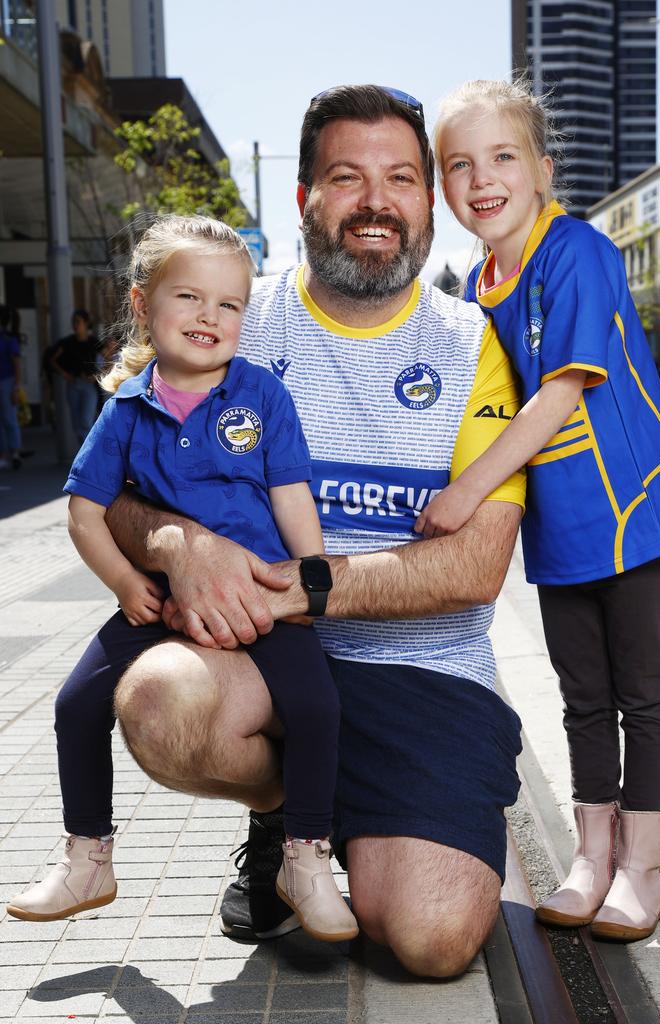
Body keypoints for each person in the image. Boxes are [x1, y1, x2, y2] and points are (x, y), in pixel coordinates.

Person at [75, 86, 527, 978]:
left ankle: (367, 815)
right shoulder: (231, 318)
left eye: (401, 178)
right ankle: (286, 816)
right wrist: (177, 544)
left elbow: (477, 566)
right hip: (268, 660)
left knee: (433, 941)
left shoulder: (478, 343)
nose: (376, 201)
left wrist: (312, 583)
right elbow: (112, 482)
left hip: (426, 669)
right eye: (346, 176)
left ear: (428, 204)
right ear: (304, 200)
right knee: (159, 704)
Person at [6, 216, 357, 943]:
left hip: (263, 599)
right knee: (74, 704)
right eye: (189, 297)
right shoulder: (127, 408)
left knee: (320, 708)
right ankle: (88, 857)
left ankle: (305, 858)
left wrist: (310, 580)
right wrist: (124, 587)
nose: (209, 316)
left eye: (230, 305)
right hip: (157, 602)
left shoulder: (261, 395)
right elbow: (83, 513)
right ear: (142, 305)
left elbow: (292, 495)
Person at [415, 78, 660, 943]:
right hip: (556, 525)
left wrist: (467, 494)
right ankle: (592, 857)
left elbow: (559, 393)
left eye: (503, 156)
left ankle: (643, 871)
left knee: (641, 692)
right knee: (582, 696)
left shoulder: (577, 249)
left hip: (629, 507)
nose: (482, 177)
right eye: (459, 164)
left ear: (541, 170)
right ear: (444, 186)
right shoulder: (476, 282)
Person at [51, 309, 102, 443]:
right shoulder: (67, 342)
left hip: (89, 385)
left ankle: (88, 456)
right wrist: (64, 374)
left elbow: (110, 360)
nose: (75, 325)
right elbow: (52, 359)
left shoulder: (93, 342)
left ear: (86, 324)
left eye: (78, 322)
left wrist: (98, 376)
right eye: (73, 322)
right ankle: (85, 450)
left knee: (86, 421)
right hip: (73, 384)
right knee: (76, 423)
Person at [0, 304, 23, 470]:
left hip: (7, 381)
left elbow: (17, 364)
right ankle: (4, 454)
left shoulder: (8, 339)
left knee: (9, 418)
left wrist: (16, 387)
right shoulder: (8, 338)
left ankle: (14, 452)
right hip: (5, 381)